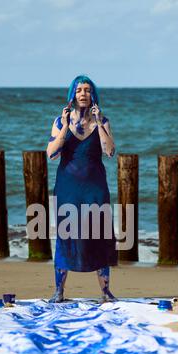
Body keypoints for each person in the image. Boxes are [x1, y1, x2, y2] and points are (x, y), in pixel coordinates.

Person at [46, 75, 118, 303]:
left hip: (95, 187)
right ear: (73, 95)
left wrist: (98, 124)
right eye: (79, 90)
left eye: (87, 90)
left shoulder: (103, 122)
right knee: (65, 235)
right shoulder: (60, 121)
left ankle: (105, 291)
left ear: (93, 94)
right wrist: (66, 127)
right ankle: (59, 291)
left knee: (100, 234)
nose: (83, 94)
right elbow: (51, 153)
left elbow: (110, 151)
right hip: (68, 187)